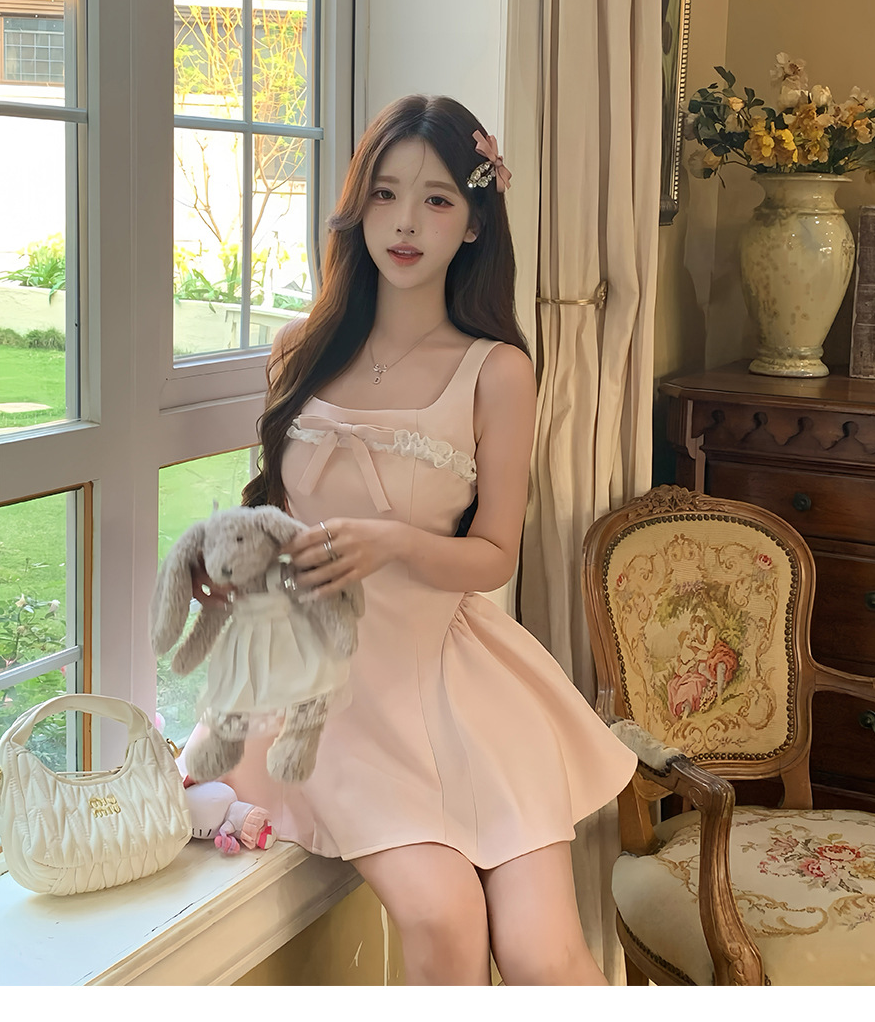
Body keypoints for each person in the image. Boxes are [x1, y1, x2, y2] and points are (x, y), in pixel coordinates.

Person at [182, 95, 637, 986]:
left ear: (474, 221)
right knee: (443, 919)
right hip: (321, 692)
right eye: (386, 194)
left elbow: (495, 554)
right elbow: (282, 524)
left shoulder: (497, 371)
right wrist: (224, 566)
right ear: (358, 207)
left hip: (452, 681)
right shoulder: (299, 351)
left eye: (436, 200)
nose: (405, 223)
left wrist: (390, 543)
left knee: (546, 956)